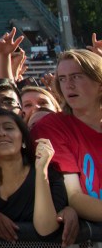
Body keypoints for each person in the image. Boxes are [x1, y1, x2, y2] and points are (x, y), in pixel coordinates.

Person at [0, 108, 67, 241]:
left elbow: (46, 229)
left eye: (9, 128)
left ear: (23, 137)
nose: (2, 133)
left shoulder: (50, 173)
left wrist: (41, 170)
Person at [32, 49, 102, 226]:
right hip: (87, 246)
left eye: (76, 77)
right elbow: (74, 197)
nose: (68, 85)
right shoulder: (52, 127)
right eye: (62, 79)